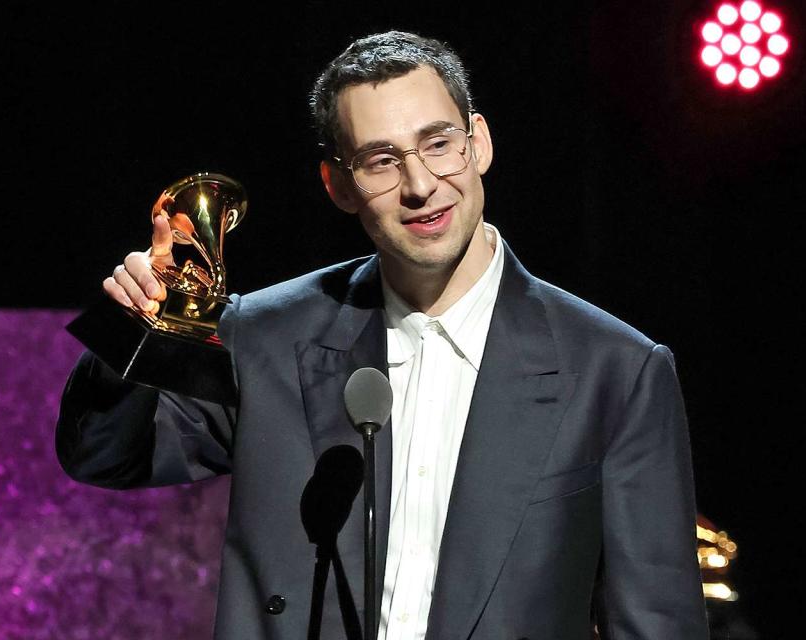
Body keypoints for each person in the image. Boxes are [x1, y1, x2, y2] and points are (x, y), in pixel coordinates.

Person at [57, 31, 709, 640]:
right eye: (382, 160)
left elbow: (656, 621)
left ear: (478, 143)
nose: (421, 185)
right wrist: (137, 324)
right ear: (337, 185)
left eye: (438, 143)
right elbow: (103, 455)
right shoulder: (265, 336)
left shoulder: (615, 370)